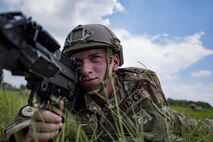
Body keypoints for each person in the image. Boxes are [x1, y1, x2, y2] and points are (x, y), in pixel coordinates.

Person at [4, 24, 213, 142]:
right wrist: (26, 132)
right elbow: (23, 120)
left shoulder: (139, 84)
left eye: (95, 58)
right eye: (77, 62)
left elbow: (158, 136)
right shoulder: (65, 90)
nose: (85, 69)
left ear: (114, 62)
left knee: (202, 128)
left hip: (170, 119)